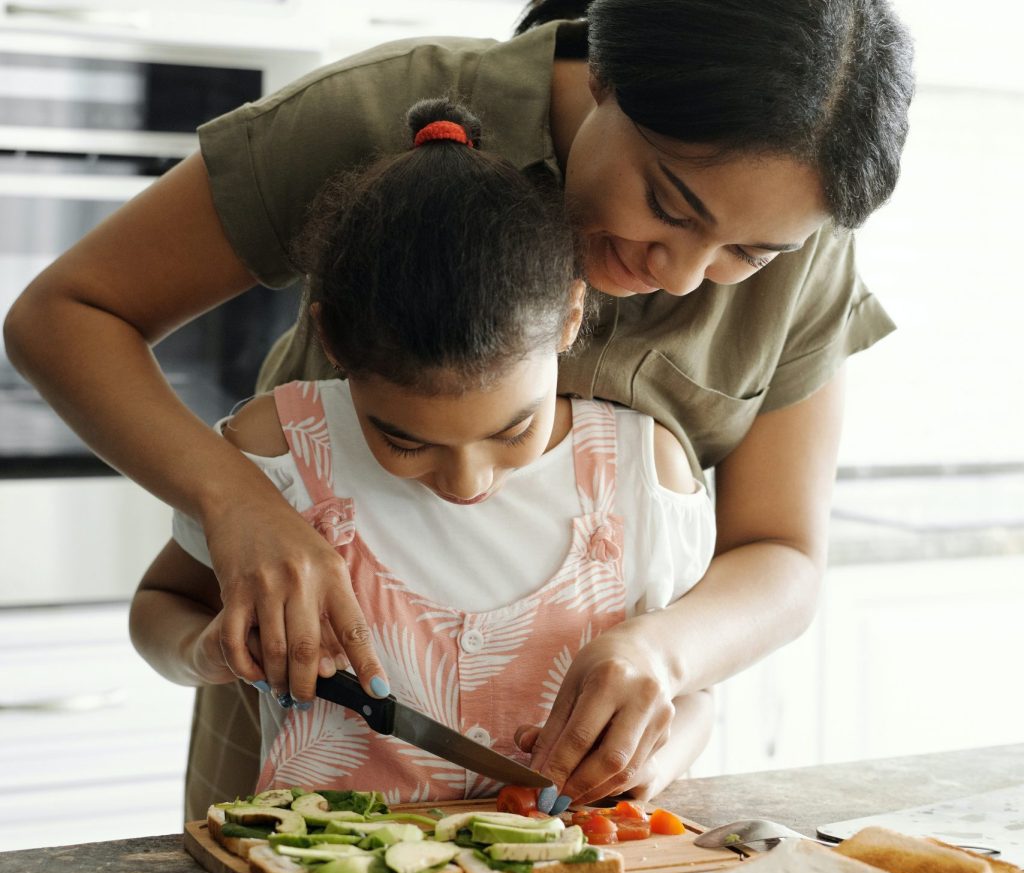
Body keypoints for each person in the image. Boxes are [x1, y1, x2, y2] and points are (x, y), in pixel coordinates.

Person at [3, 0, 915, 819]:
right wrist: (233, 500)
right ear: (603, 77)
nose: (680, 274)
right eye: (667, 203)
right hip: (302, 766)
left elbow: (783, 554)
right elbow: (65, 316)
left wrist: (668, 662)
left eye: (746, 254)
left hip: (587, 803)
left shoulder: (806, 241)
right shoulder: (380, 112)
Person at [128, 98, 717, 808]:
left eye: (512, 431)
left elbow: (698, 695)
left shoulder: (643, 475)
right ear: (335, 343)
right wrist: (211, 652)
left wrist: (654, 763)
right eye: (404, 439)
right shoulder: (278, 452)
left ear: (569, 316)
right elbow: (159, 606)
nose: (466, 480)